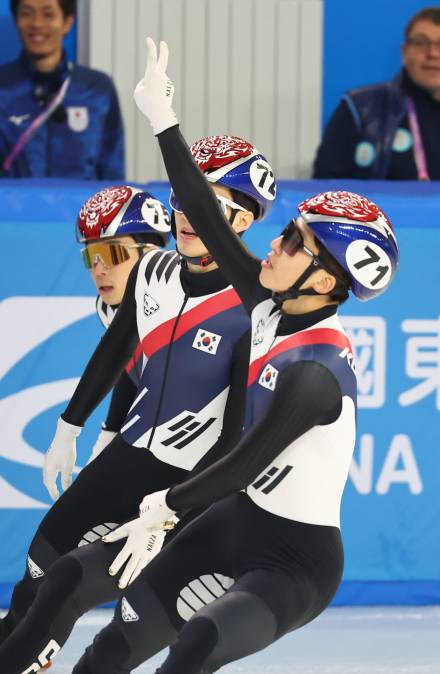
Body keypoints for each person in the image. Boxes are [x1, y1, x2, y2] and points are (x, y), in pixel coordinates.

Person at [0, 39, 399, 674]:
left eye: (293, 242)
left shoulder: (316, 372)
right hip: (232, 517)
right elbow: (210, 222)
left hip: (294, 558)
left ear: (323, 282)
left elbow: (244, 460)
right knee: (91, 618)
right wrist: (163, 121)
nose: (275, 243)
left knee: (194, 648)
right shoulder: (269, 306)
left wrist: (166, 507)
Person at [0, 131, 275, 663]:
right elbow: (119, 352)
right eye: (182, 199)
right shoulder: (153, 271)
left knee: (77, 591)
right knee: (37, 572)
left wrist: (176, 511)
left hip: (186, 482)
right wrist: (72, 427)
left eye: (209, 205)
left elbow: (236, 436)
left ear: (243, 219)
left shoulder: (254, 308)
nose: (188, 215)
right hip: (129, 456)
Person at [75, 185, 171, 468]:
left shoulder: (179, 304)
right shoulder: (107, 307)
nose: (99, 269)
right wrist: (110, 430)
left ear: (151, 252)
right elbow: (130, 367)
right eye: (91, 256)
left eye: (112, 253)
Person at [0, 0, 125, 179]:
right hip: (12, 206)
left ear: (67, 22)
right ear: (16, 20)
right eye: (27, 13)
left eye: (48, 14)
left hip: (81, 207)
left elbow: (113, 174)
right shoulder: (3, 87)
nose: (36, 23)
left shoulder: (97, 90)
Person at [313, 6, 440, 180]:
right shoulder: (359, 108)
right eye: (421, 43)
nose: (433, 53)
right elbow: (326, 187)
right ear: (404, 53)